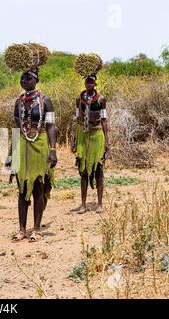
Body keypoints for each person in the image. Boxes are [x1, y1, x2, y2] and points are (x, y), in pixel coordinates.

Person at [6, 68, 57, 243]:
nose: (24, 81)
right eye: (22, 78)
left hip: (40, 143)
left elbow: (50, 126)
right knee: (21, 189)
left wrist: (53, 150)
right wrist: (11, 154)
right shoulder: (18, 102)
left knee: (38, 188)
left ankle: (36, 228)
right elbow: (16, 127)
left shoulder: (45, 101)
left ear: (36, 80)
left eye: (28, 78)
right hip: (22, 144)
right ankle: (21, 229)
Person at [71, 74, 110, 214]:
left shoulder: (101, 99)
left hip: (97, 135)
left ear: (95, 83)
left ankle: (99, 203)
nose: (89, 84)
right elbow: (77, 120)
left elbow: (104, 120)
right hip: (82, 136)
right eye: (87, 82)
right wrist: (74, 140)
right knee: (83, 170)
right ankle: (83, 204)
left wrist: (107, 141)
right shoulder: (79, 100)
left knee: (99, 169)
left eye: (91, 82)